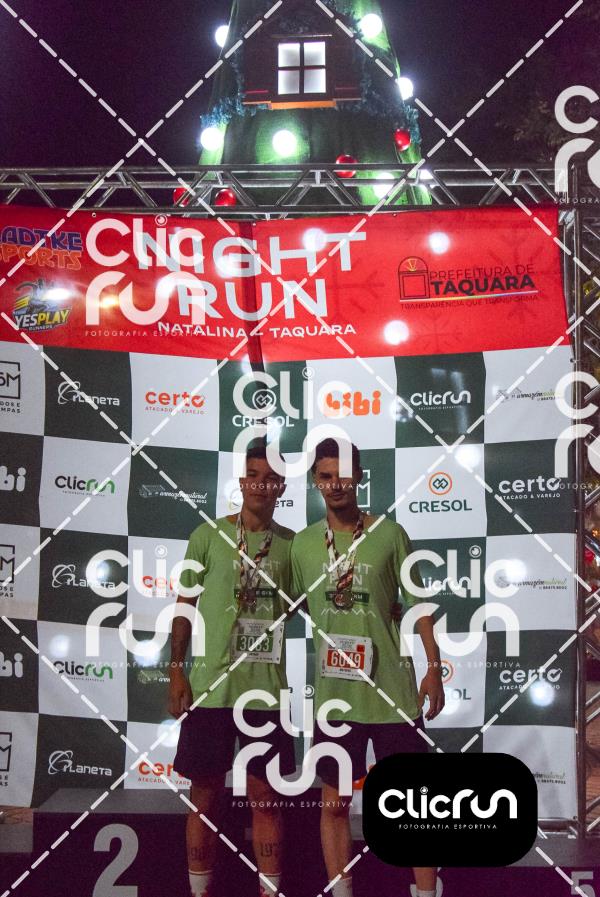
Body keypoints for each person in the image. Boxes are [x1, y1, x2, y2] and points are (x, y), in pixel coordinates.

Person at [291, 438, 445, 897]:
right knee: (334, 805)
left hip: (393, 693)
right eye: (325, 476)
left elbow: (418, 606)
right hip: (336, 700)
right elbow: (301, 603)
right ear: (315, 481)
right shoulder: (302, 544)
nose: (335, 484)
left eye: (342, 474)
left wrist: (433, 667)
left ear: (358, 475)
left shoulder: (390, 534)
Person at [169, 443, 295, 897]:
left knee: (267, 800)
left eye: (270, 477)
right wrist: (176, 672)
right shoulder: (206, 536)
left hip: (266, 692)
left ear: (281, 486)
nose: (261, 484)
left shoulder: (295, 544)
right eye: (253, 475)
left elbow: (314, 603)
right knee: (204, 799)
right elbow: (184, 608)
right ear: (241, 482)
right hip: (210, 689)